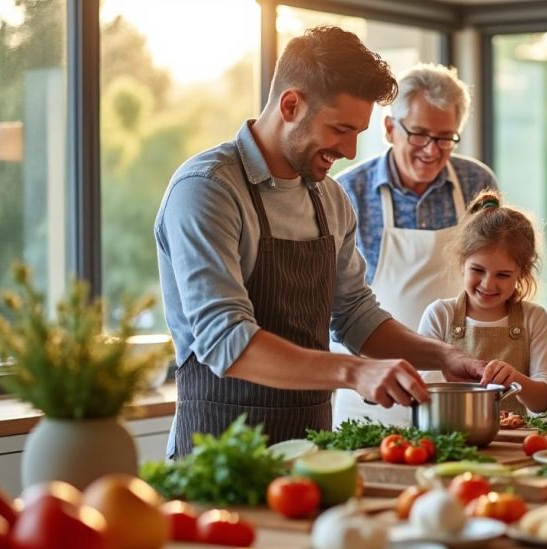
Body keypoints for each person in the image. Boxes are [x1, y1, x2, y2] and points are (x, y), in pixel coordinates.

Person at [154, 27, 484, 458]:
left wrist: (443, 356)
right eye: (340, 129)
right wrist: (355, 373)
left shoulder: (328, 196)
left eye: (357, 133)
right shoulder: (208, 189)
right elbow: (226, 341)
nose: (349, 150)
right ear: (290, 105)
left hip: (310, 453)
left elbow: (354, 315)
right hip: (218, 456)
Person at [335, 63, 499, 425]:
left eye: (444, 137)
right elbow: (339, 310)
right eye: (419, 134)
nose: (431, 150)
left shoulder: (477, 181)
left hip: (457, 384)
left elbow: (497, 274)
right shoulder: (347, 192)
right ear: (390, 128)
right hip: (374, 391)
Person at [417, 191, 547, 418]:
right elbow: (423, 393)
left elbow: (543, 401)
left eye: (503, 275)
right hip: (452, 439)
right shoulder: (440, 315)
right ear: (462, 262)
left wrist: (516, 378)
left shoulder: (533, 318)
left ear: (522, 273)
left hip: (516, 443)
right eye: (478, 270)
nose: (488, 284)